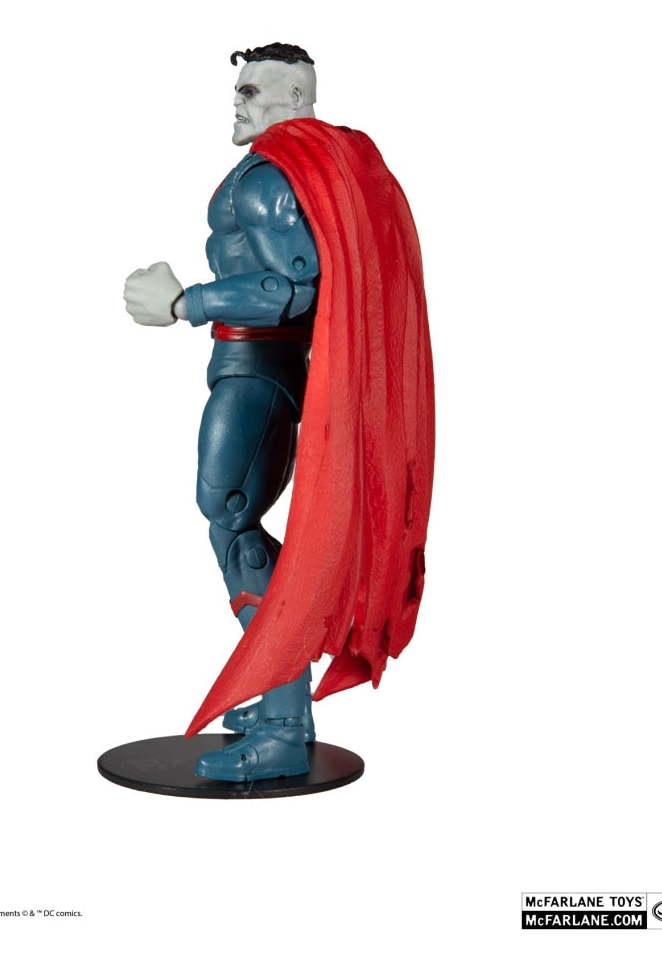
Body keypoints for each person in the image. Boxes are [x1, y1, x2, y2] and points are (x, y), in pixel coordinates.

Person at [124, 44, 434, 783]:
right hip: (256, 367)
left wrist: (185, 302)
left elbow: (294, 288)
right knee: (231, 520)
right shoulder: (291, 166)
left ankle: (285, 722)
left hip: (258, 372)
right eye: (237, 88)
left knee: (229, 517)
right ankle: (275, 691)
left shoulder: (268, 178)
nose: (238, 101)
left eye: (253, 90)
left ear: (295, 96)